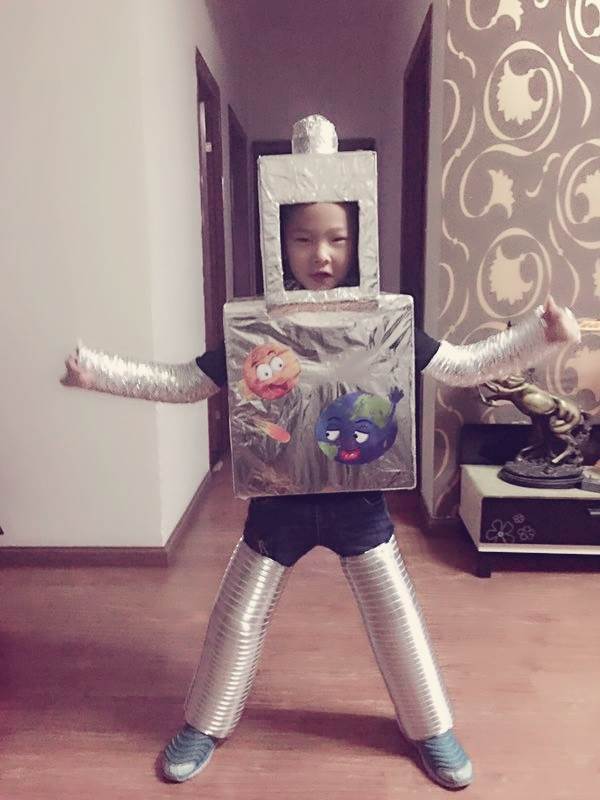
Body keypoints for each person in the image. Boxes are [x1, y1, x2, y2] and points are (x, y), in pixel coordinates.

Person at [62, 123, 581, 791]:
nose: (322, 254)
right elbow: (187, 382)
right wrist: (98, 374)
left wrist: (542, 336)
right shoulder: (256, 327)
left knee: (395, 615)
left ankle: (430, 727)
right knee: (237, 617)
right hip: (278, 501)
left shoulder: (385, 321)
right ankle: (204, 723)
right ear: (278, 240)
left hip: (357, 501)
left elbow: (462, 366)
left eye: (337, 237)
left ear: (359, 237)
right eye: (303, 238)